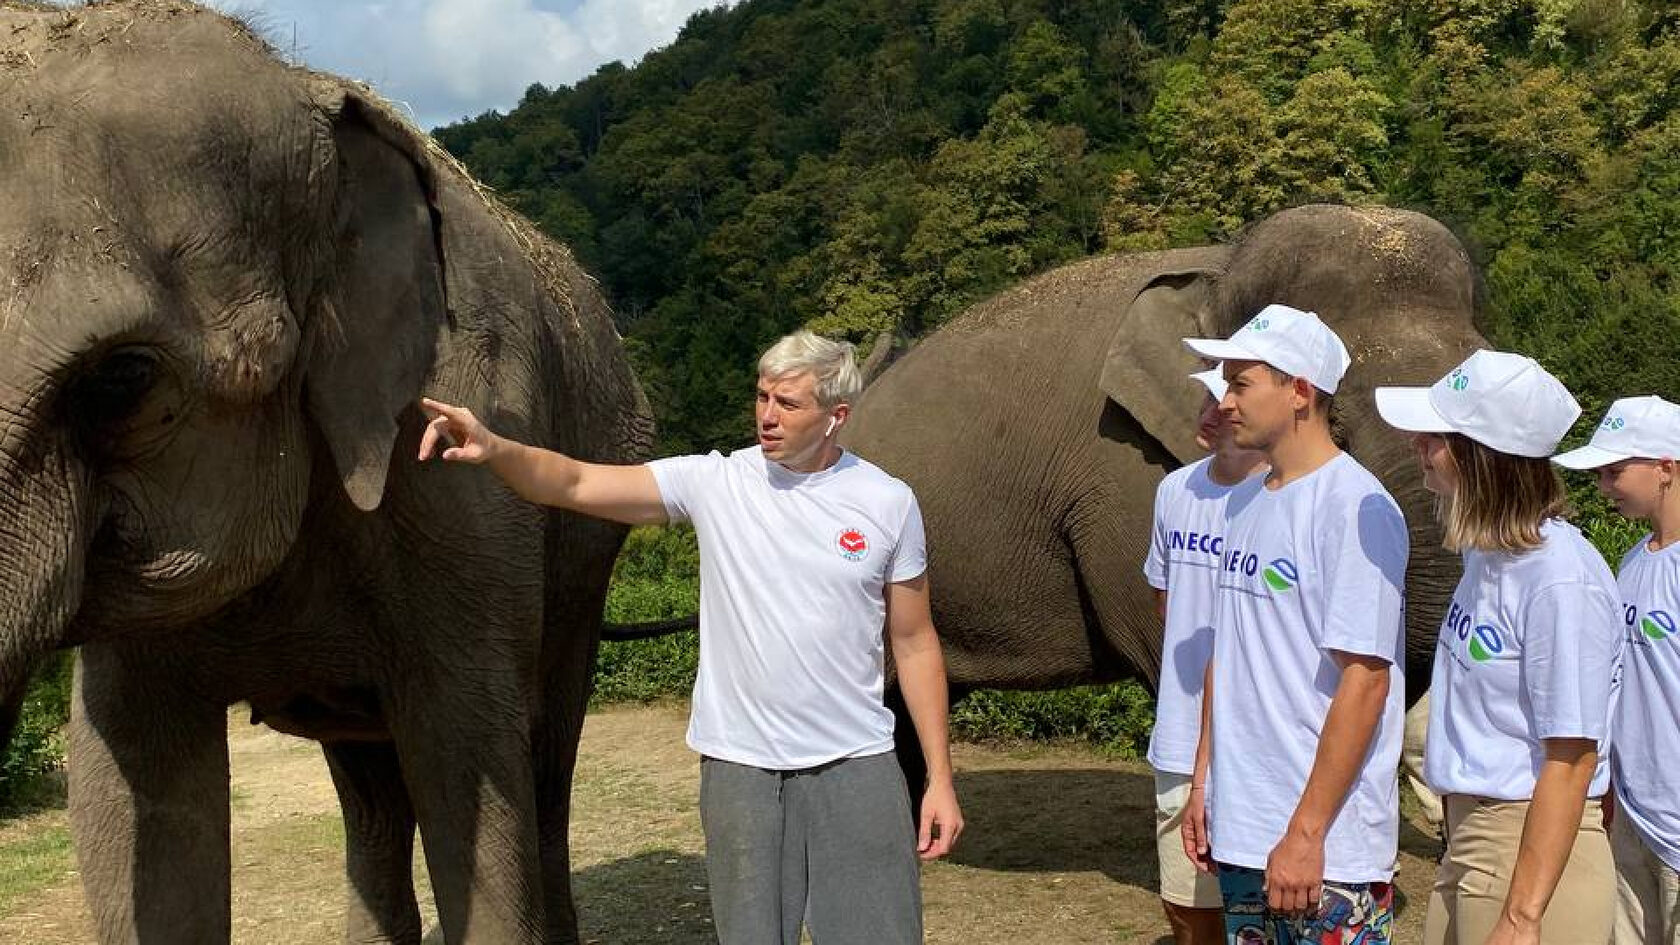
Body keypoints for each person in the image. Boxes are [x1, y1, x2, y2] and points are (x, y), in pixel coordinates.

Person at [417, 330, 963, 945]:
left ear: (836, 416)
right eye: (761, 397)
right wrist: (494, 448)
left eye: (788, 404)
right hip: (741, 772)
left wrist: (939, 778)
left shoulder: (887, 503)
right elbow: (571, 482)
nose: (767, 416)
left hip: (857, 765)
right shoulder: (716, 483)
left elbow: (915, 642)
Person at [1180, 304, 1409, 944]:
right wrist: (1205, 782)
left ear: (1300, 391)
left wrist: (1307, 833)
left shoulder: (1358, 508)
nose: (1224, 402)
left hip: (1325, 847)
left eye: (1240, 384)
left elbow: (1365, 682)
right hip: (1246, 826)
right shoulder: (1246, 501)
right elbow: (1229, 655)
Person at [1376, 348, 1621, 945]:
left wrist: (1523, 914)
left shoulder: (1560, 580)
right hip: (1473, 838)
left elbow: (1571, 758)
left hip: (1525, 846)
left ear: (1477, 456)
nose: (1419, 450)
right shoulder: (1491, 559)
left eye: (1434, 438)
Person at [1144, 365, 1267, 944]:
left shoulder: (1278, 498)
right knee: (1187, 903)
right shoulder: (1175, 490)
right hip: (1179, 728)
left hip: (1258, 739)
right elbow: (1168, 603)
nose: (1212, 410)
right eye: (1207, 397)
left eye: (1228, 397)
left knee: (1263, 907)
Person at [1554, 395, 1680, 944]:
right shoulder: (1633, 560)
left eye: (1613, 471)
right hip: (1634, 817)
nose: (1604, 486)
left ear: (1667, 467)